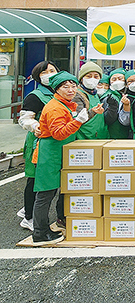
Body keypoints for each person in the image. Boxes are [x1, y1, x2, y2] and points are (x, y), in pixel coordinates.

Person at [32, 72, 94, 245]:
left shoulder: (64, 104)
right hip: (49, 154)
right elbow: (59, 133)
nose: (71, 90)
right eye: (65, 87)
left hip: (57, 153)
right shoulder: (55, 107)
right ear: (56, 89)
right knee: (45, 194)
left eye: (73, 86)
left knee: (51, 192)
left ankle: (43, 229)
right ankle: (40, 232)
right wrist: (78, 121)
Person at [17, 61, 59, 232]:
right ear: (38, 76)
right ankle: (29, 217)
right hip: (38, 141)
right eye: (45, 72)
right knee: (35, 180)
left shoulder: (57, 93)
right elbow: (25, 118)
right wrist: (35, 126)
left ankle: (29, 210)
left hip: (53, 141)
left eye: (53, 70)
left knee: (45, 180)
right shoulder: (35, 96)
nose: (49, 74)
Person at [73, 62, 109, 140]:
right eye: (88, 76)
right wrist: (93, 111)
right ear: (82, 78)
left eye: (96, 76)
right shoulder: (77, 95)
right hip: (85, 137)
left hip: (99, 135)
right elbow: (78, 119)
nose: (92, 79)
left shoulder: (94, 93)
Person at [101, 68, 131, 139]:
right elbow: (107, 119)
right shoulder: (109, 97)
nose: (117, 81)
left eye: (120, 78)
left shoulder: (126, 93)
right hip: (114, 134)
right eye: (114, 79)